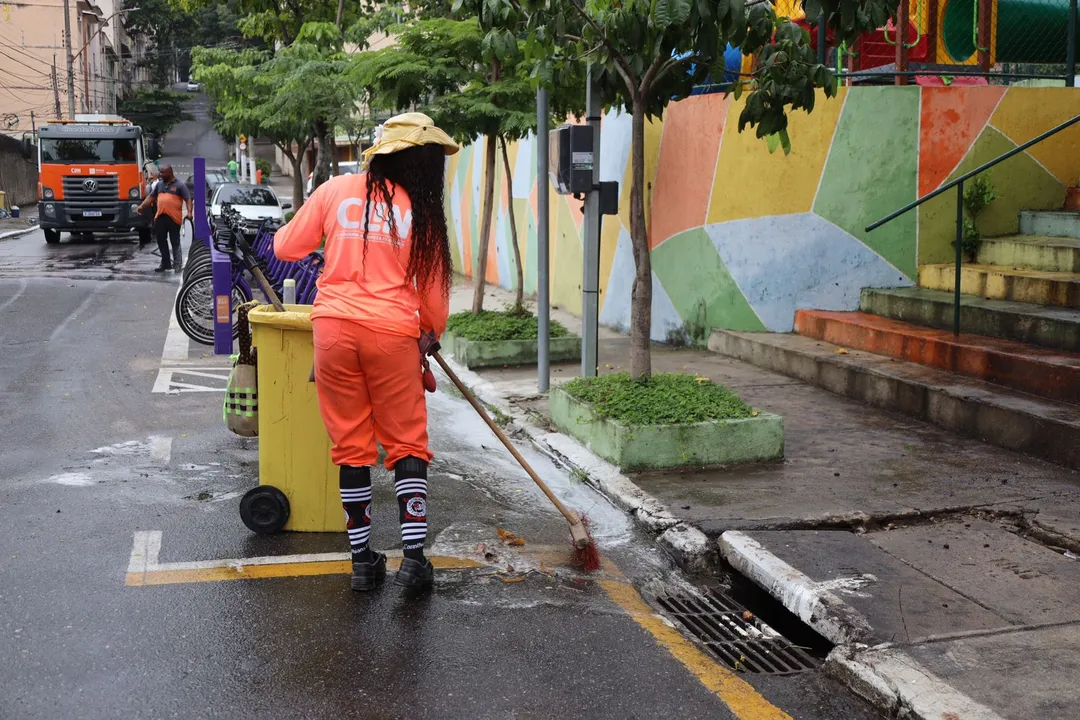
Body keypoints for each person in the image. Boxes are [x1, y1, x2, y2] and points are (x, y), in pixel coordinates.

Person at [273, 113, 457, 592]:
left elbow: (287, 246)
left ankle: (361, 562)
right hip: (393, 333)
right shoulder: (422, 209)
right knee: (406, 443)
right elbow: (434, 291)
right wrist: (430, 333)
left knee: (350, 445)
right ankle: (414, 560)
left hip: (332, 329)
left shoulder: (335, 190)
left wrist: (329, 243)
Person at [137, 163, 192, 273]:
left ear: (170, 173)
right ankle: (165, 263)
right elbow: (151, 197)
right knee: (161, 240)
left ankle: (177, 264)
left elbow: (188, 199)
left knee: (175, 242)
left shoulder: (179, 185)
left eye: (163, 172)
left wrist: (190, 212)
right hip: (161, 217)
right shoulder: (159, 185)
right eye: (160, 172)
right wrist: (142, 206)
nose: (160, 174)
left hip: (174, 218)